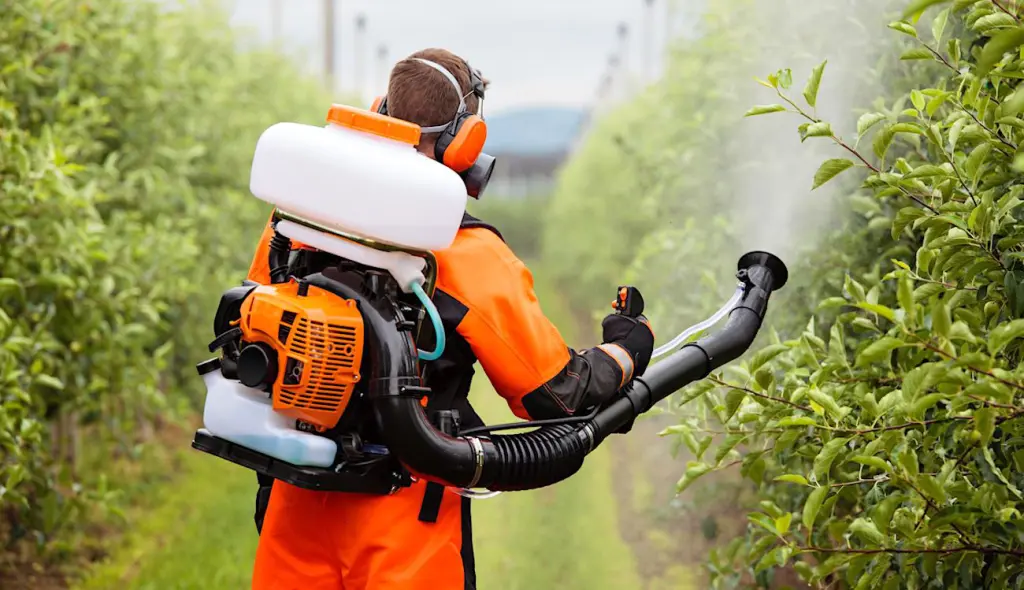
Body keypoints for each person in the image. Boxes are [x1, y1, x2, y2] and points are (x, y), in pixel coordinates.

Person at [245, 48, 655, 590]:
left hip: (292, 506)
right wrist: (626, 349)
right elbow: (556, 395)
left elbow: (253, 321)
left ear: (379, 112)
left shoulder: (293, 223)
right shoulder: (461, 250)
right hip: (407, 517)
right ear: (466, 141)